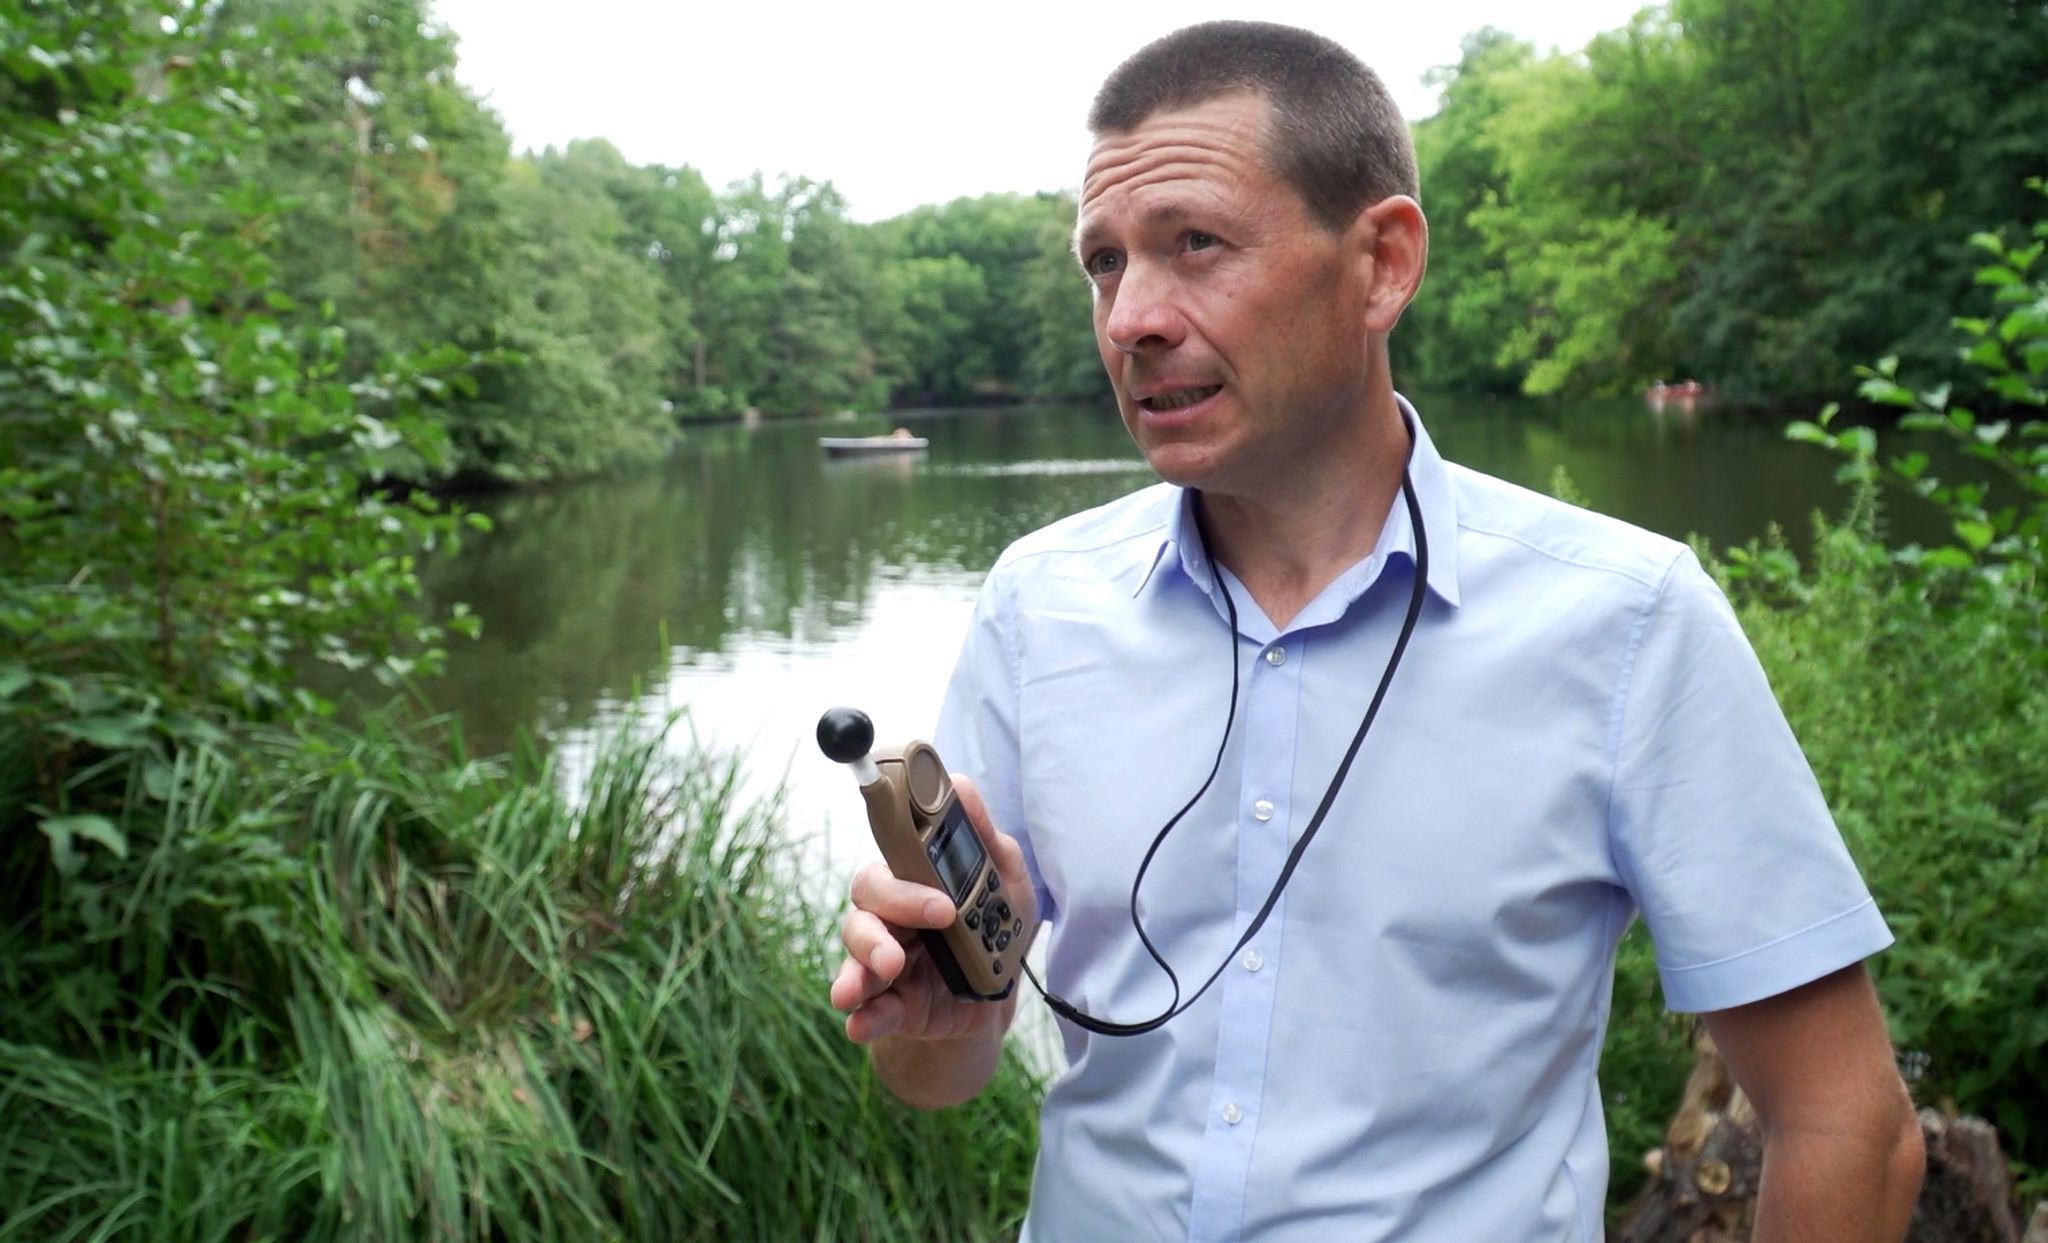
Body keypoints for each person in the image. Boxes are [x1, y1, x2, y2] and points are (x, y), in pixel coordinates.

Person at [829, 20, 1924, 1241]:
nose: (1130, 315)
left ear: (1381, 266)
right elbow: (938, 1075)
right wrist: (941, 1019)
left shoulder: (1627, 622)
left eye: (1193, 244)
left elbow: (1847, 1125)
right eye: (1102, 263)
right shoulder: (1039, 602)